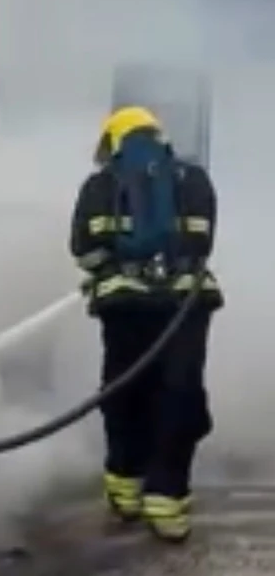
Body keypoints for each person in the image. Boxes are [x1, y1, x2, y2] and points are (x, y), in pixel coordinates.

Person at [69, 105, 224, 543]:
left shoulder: (100, 185)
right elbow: (203, 242)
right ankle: (167, 501)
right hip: (186, 306)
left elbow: (83, 249)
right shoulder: (193, 180)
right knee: (179, 391)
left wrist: (109, 270)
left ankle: (125, 491)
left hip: (124, 306)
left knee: (123, 389)